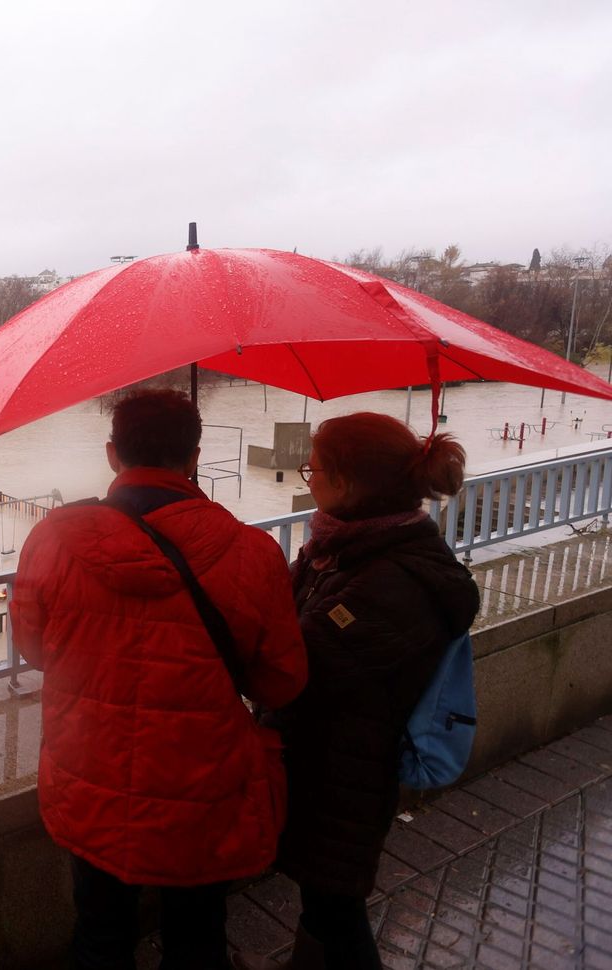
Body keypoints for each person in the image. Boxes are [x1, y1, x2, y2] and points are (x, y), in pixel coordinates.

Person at [12, 389, 308, 969]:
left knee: (99, 932)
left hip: (88, 779)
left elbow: (35, 649)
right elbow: (282, 683)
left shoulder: (54, 538)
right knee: (197, 937)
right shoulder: (250, 551)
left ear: (111, 454)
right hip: (203, 787)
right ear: (195, 457)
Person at [254, 413, 479, 969]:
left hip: (347, 773)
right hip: (328, 763)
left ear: (348, 484)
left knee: (335, 905)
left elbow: (297, 666)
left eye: (315, 468)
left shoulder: (391, 580)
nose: (308, 478)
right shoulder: (346, 547)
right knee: (325, 900)